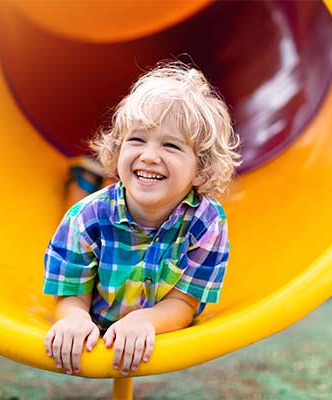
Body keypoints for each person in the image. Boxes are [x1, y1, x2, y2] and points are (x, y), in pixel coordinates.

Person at [42, 62, 242, 376]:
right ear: (117, 148)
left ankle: (85, 177)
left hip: (154, 310)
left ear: (201, 169)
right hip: (100, 293)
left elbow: (184, 303)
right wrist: (74, 318)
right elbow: (70, 294)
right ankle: (82, 179)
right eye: (136, 141)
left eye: (171, 145)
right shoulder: (85, 218)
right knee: (83, 210)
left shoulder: (207, 223)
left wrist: (144, 320)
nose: (149, 155)